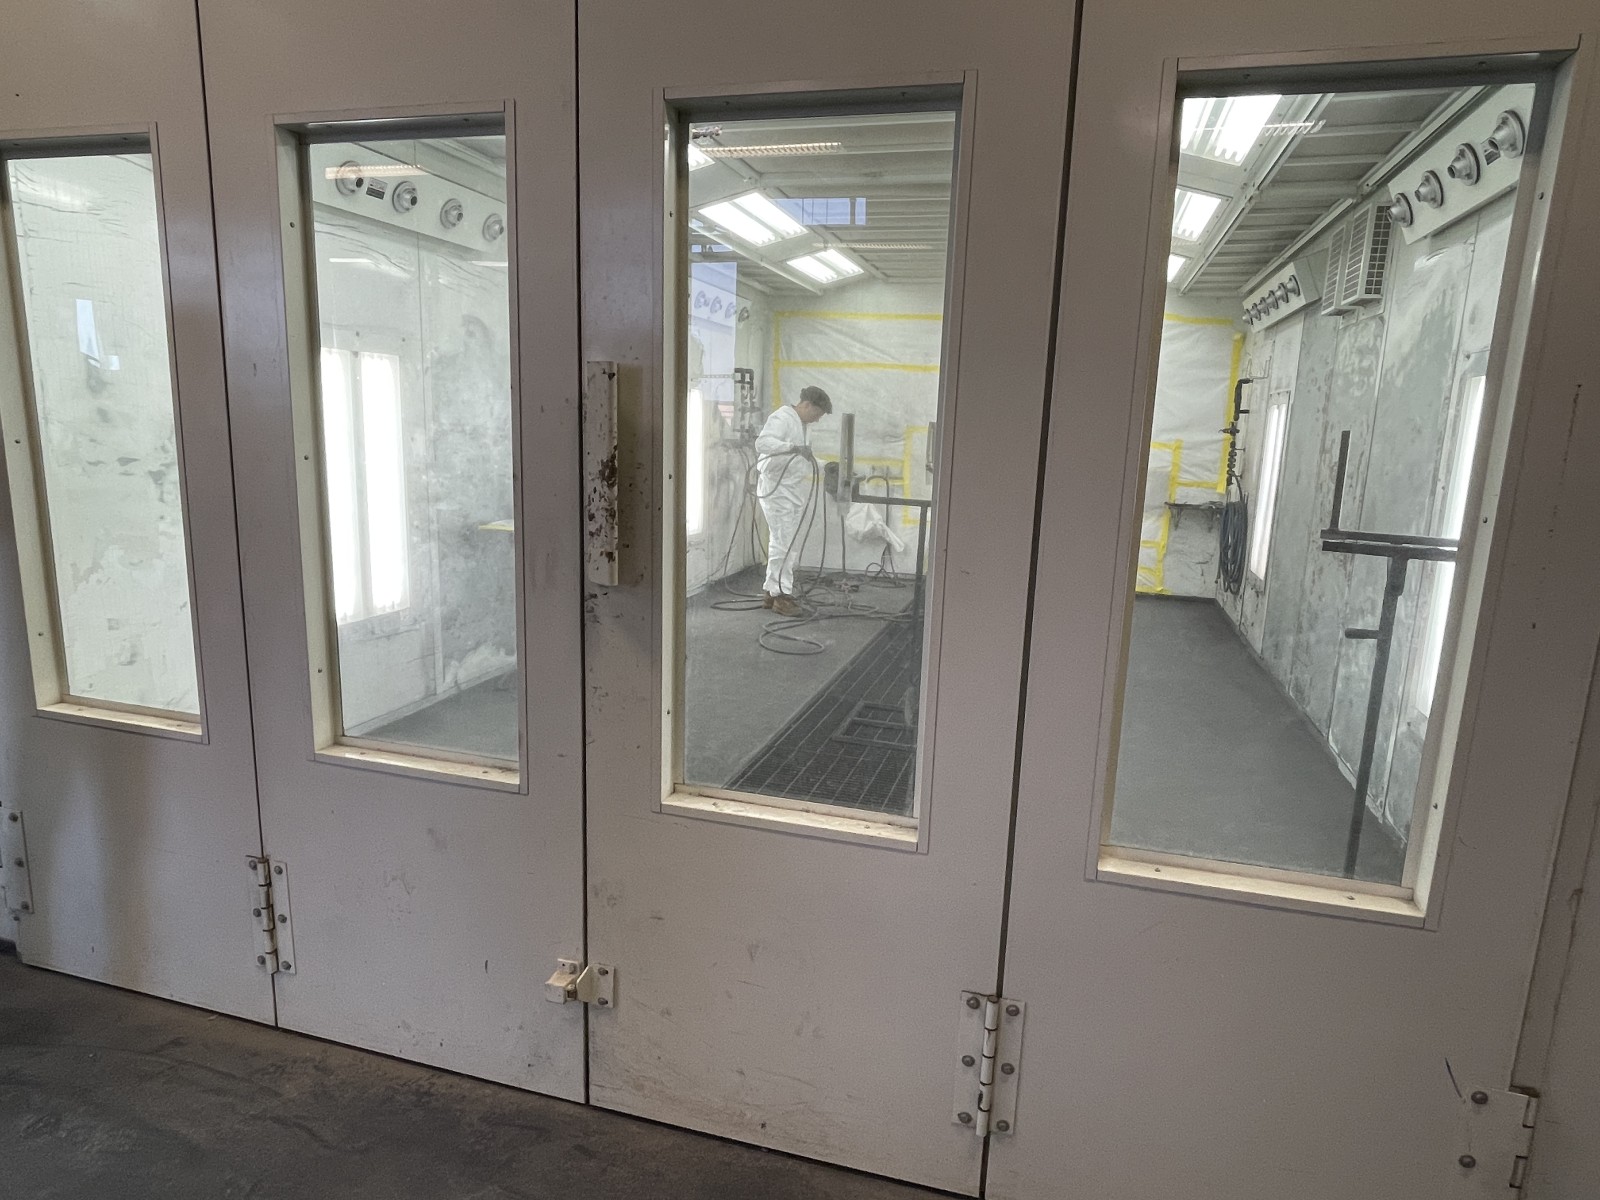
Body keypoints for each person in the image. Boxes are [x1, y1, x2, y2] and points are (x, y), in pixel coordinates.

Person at [755, 385, 832, 616]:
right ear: (807, 405)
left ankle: (771, 591)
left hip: (790, 490)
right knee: (785, 543)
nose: (817, 419)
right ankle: (781, 596)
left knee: (783, 542)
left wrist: (826, 466)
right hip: (776, 489)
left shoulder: (804, 426)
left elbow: (802, 458)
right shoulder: (783, 418)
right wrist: (792, 447)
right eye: (817, 414)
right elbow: (762, 443)